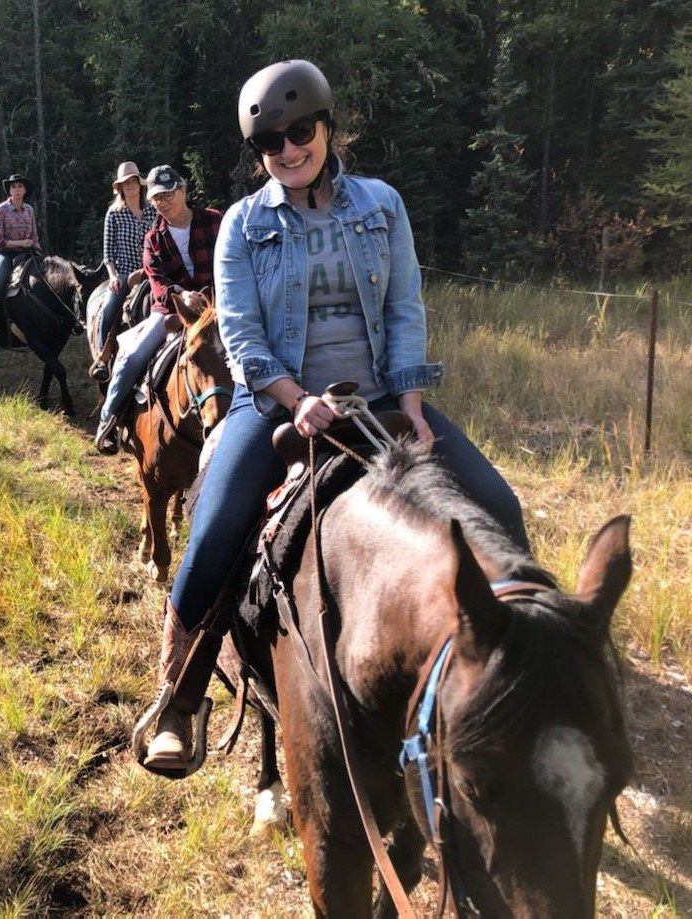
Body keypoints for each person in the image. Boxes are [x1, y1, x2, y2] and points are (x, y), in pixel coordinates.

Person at [140, 60, 530, 773]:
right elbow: (245, 337)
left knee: (499, 503)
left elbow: (404, 307)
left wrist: (410, 403)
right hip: (279, 403)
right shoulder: (243, 227)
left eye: (300, 132)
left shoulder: (382, 205)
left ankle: (517, 674)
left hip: (379, 395)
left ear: (326, 126)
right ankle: (180, 695)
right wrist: (295, 399)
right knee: (220, 519)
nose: (289, 151)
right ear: (257, 154)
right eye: (271, 144)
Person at [93, 165, 221, 454]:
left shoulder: (214, 221)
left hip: (217, 308)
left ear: (183, 191)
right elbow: (158, 282)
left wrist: (212, 296)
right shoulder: (153, 238)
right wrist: (181, 295)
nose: (163, 202)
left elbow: (231, 262)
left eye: (168, 194)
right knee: (131, 356)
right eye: (157, 198)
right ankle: (109, 420)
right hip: (170, 311)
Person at [89, 161, 157, 382]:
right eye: (125, 183)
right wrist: (113, 276)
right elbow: (108, 253)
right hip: (125, 273)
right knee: (109, 308)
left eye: (133, 182)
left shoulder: (152, 211)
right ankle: (102, 358)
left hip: (150, 272)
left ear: (139, 183)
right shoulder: (114, 214)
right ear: (119, 188)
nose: (130, 186)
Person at [0, 173, 41, 343]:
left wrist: (37, 250)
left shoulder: (29, 210)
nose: (17, 190)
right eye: (14, 187)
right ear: (10, 191)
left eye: (20, 186)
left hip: (27, 252)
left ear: (25, 190)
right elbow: (0, 241)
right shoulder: (1, 210)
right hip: (5, 253)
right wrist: (23, 242)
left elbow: (34, 235)